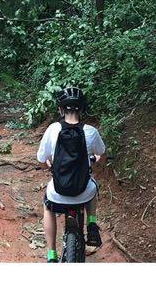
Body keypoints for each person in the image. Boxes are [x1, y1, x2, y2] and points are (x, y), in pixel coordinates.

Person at [37, 86, 106, 262]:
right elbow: (101, 154)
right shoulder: (90, 131)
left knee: (47, 205)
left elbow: (41, 158)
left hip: (57, 194)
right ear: (82, 109)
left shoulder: (53, 129)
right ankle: (91, 222)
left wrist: (49, 165)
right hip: (83, 193)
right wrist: (95, 159)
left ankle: (51, 253)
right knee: (92, 186)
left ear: (60, 109)